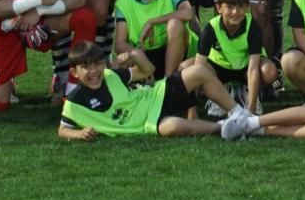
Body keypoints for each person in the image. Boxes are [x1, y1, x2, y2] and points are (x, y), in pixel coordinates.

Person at [57, 42, 251, 141]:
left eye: (98, 64)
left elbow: (148, 71)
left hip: (156, 95)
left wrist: (134, 55)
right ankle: (225, 127)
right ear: (74, 72)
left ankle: (239, 114)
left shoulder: (111, 75)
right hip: (147, 123)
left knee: (199, 71)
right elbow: (63, 129)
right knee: (174, 127)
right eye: (86, 67)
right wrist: (79, 134)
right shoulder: (74, 102)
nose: (94, 71)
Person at [195, 0, 277, 110]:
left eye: (241, 6)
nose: (235, 12)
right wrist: (191, 113)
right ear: (219, 8)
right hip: (218, 68)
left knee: (270, 71)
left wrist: (251, 110)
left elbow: (253, 69)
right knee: (186, 68)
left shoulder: (253, 27)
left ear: (247, 7)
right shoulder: (211, 27)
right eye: (229, 7)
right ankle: (219, 94)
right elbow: (197, 68)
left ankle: (248, 94)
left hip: (245, 68)